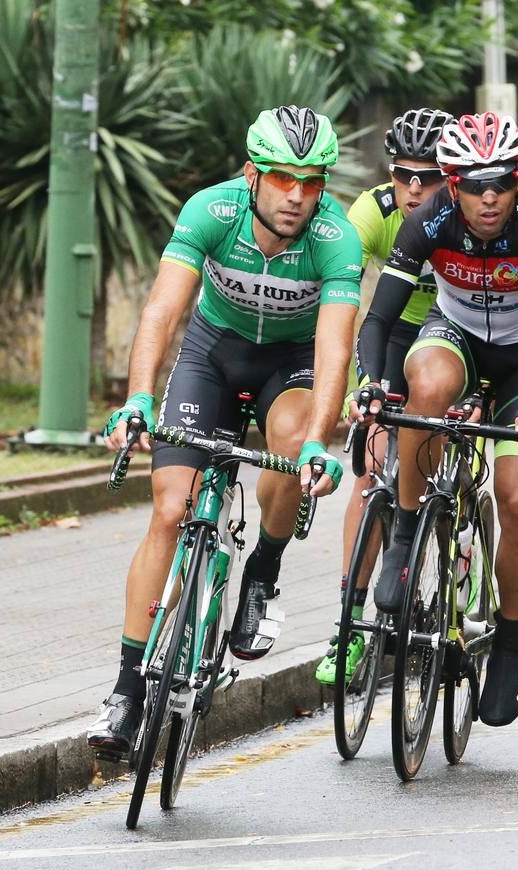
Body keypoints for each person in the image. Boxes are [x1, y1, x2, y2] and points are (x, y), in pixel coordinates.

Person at [90, 106, 359, 754]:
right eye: (282, 178)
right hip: (214, 355)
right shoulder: (213, 211)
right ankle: (126, 690)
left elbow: (333, 352)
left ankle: (262, 570)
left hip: (289, 366)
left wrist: (321, 438)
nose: (297, 195)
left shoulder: (334, 236)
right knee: (169, 509)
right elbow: (162, 309)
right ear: (251, 174)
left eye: (312, 181)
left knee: (292, 447)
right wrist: (139, 400)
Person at [356, 112, 518, 726]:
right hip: (453, 335)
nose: (489, 198)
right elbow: (378, 321)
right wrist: (373, 383)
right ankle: (405, 535)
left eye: (501, 184)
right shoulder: (427, 223)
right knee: (423, 384)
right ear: (451, 185)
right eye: (475, 184)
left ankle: (509, 642)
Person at [316, 107, 455, 687]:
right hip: (395, 329)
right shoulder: (371, 211)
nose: (415, 189)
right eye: (404, 175)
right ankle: (348, 627)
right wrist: (360, 385)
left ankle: (450, 611)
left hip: (453, 331)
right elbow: (346, 296)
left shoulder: (467, 211)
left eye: (428, 176)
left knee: (445, 469)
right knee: (372, 469)